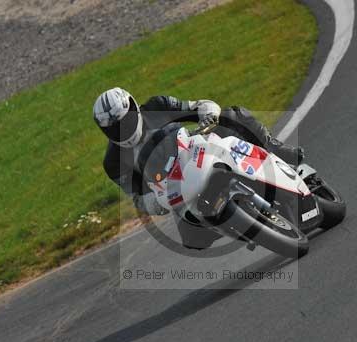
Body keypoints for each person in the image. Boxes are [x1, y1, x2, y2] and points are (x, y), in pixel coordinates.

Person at [93, 87, 305, 249]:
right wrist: (154, 202)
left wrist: (208, 115)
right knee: (193, 240)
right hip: (177, 189)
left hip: (197, 151)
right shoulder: (113, 163)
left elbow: (199, 106)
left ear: (134, 108)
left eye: (124, 121)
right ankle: (245, 228)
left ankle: (274, 148)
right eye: (113, 128)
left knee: (232, 115)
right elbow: (137, 197)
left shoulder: (158, 105)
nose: (121, 130)